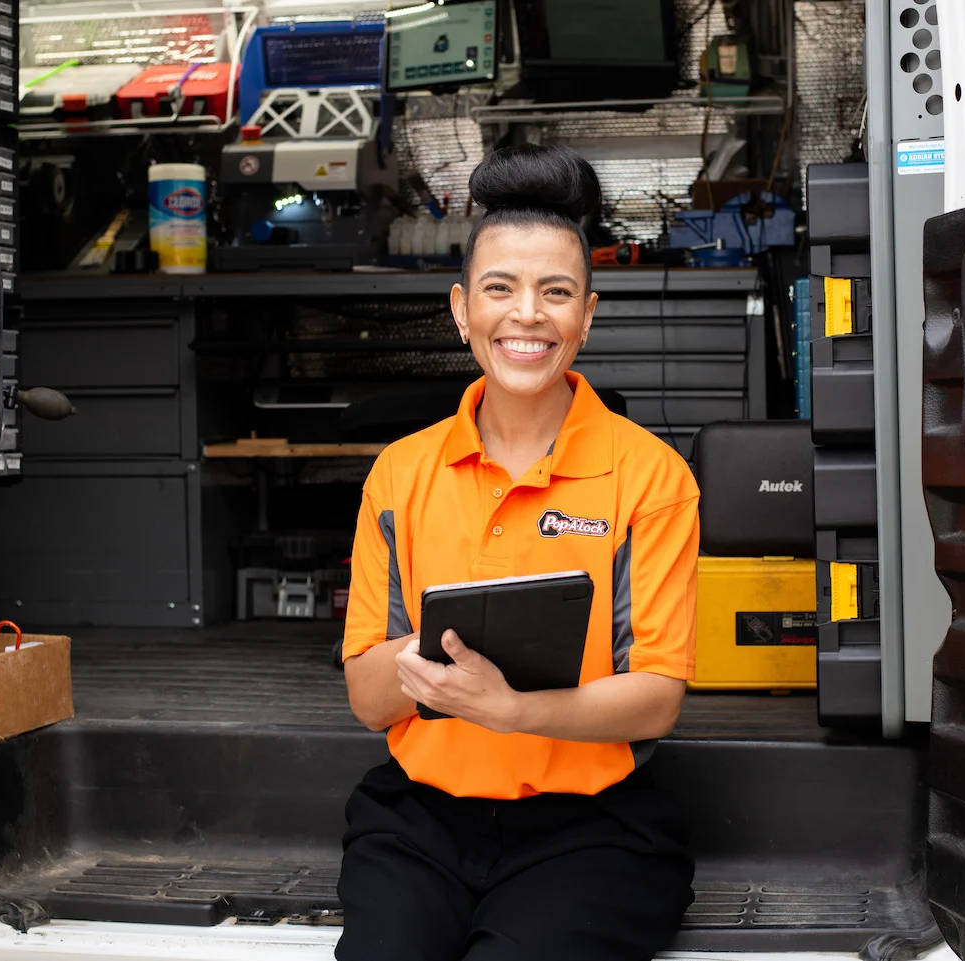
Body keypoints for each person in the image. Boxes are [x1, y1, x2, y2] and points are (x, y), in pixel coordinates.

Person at [337, 144, 700, 961]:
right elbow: (367, 698)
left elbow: (657, 697)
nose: (527, 314)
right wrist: (449, 644)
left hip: (595, 826)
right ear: (462, 310)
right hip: (419, 817)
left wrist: (513, 707)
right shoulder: (400, 474)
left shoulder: (651, 475)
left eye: (556, 292)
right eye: (500, 289)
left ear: (588, 315)